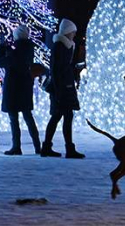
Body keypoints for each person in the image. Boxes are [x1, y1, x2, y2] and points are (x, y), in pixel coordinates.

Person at [41, 18, 85, 159]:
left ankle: (47, 147)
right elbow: (56, 70)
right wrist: (59, 91)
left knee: (59, 117)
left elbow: (63, 68)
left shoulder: (65, 46)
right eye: (72, 32)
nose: (74, 35)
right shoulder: (60, 46)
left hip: (64, 88)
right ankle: (66, 149)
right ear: (67, 32)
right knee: (62, 116)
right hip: (61, 89)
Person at [0, 24, 41, 155]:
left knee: (14, 118)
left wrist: (0, 47)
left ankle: (16, 146)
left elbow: (0, 62)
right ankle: (38, 146)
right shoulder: (27, 49)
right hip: (25, 86)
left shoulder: (16, 51)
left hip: (13, 88)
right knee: (28, 117)